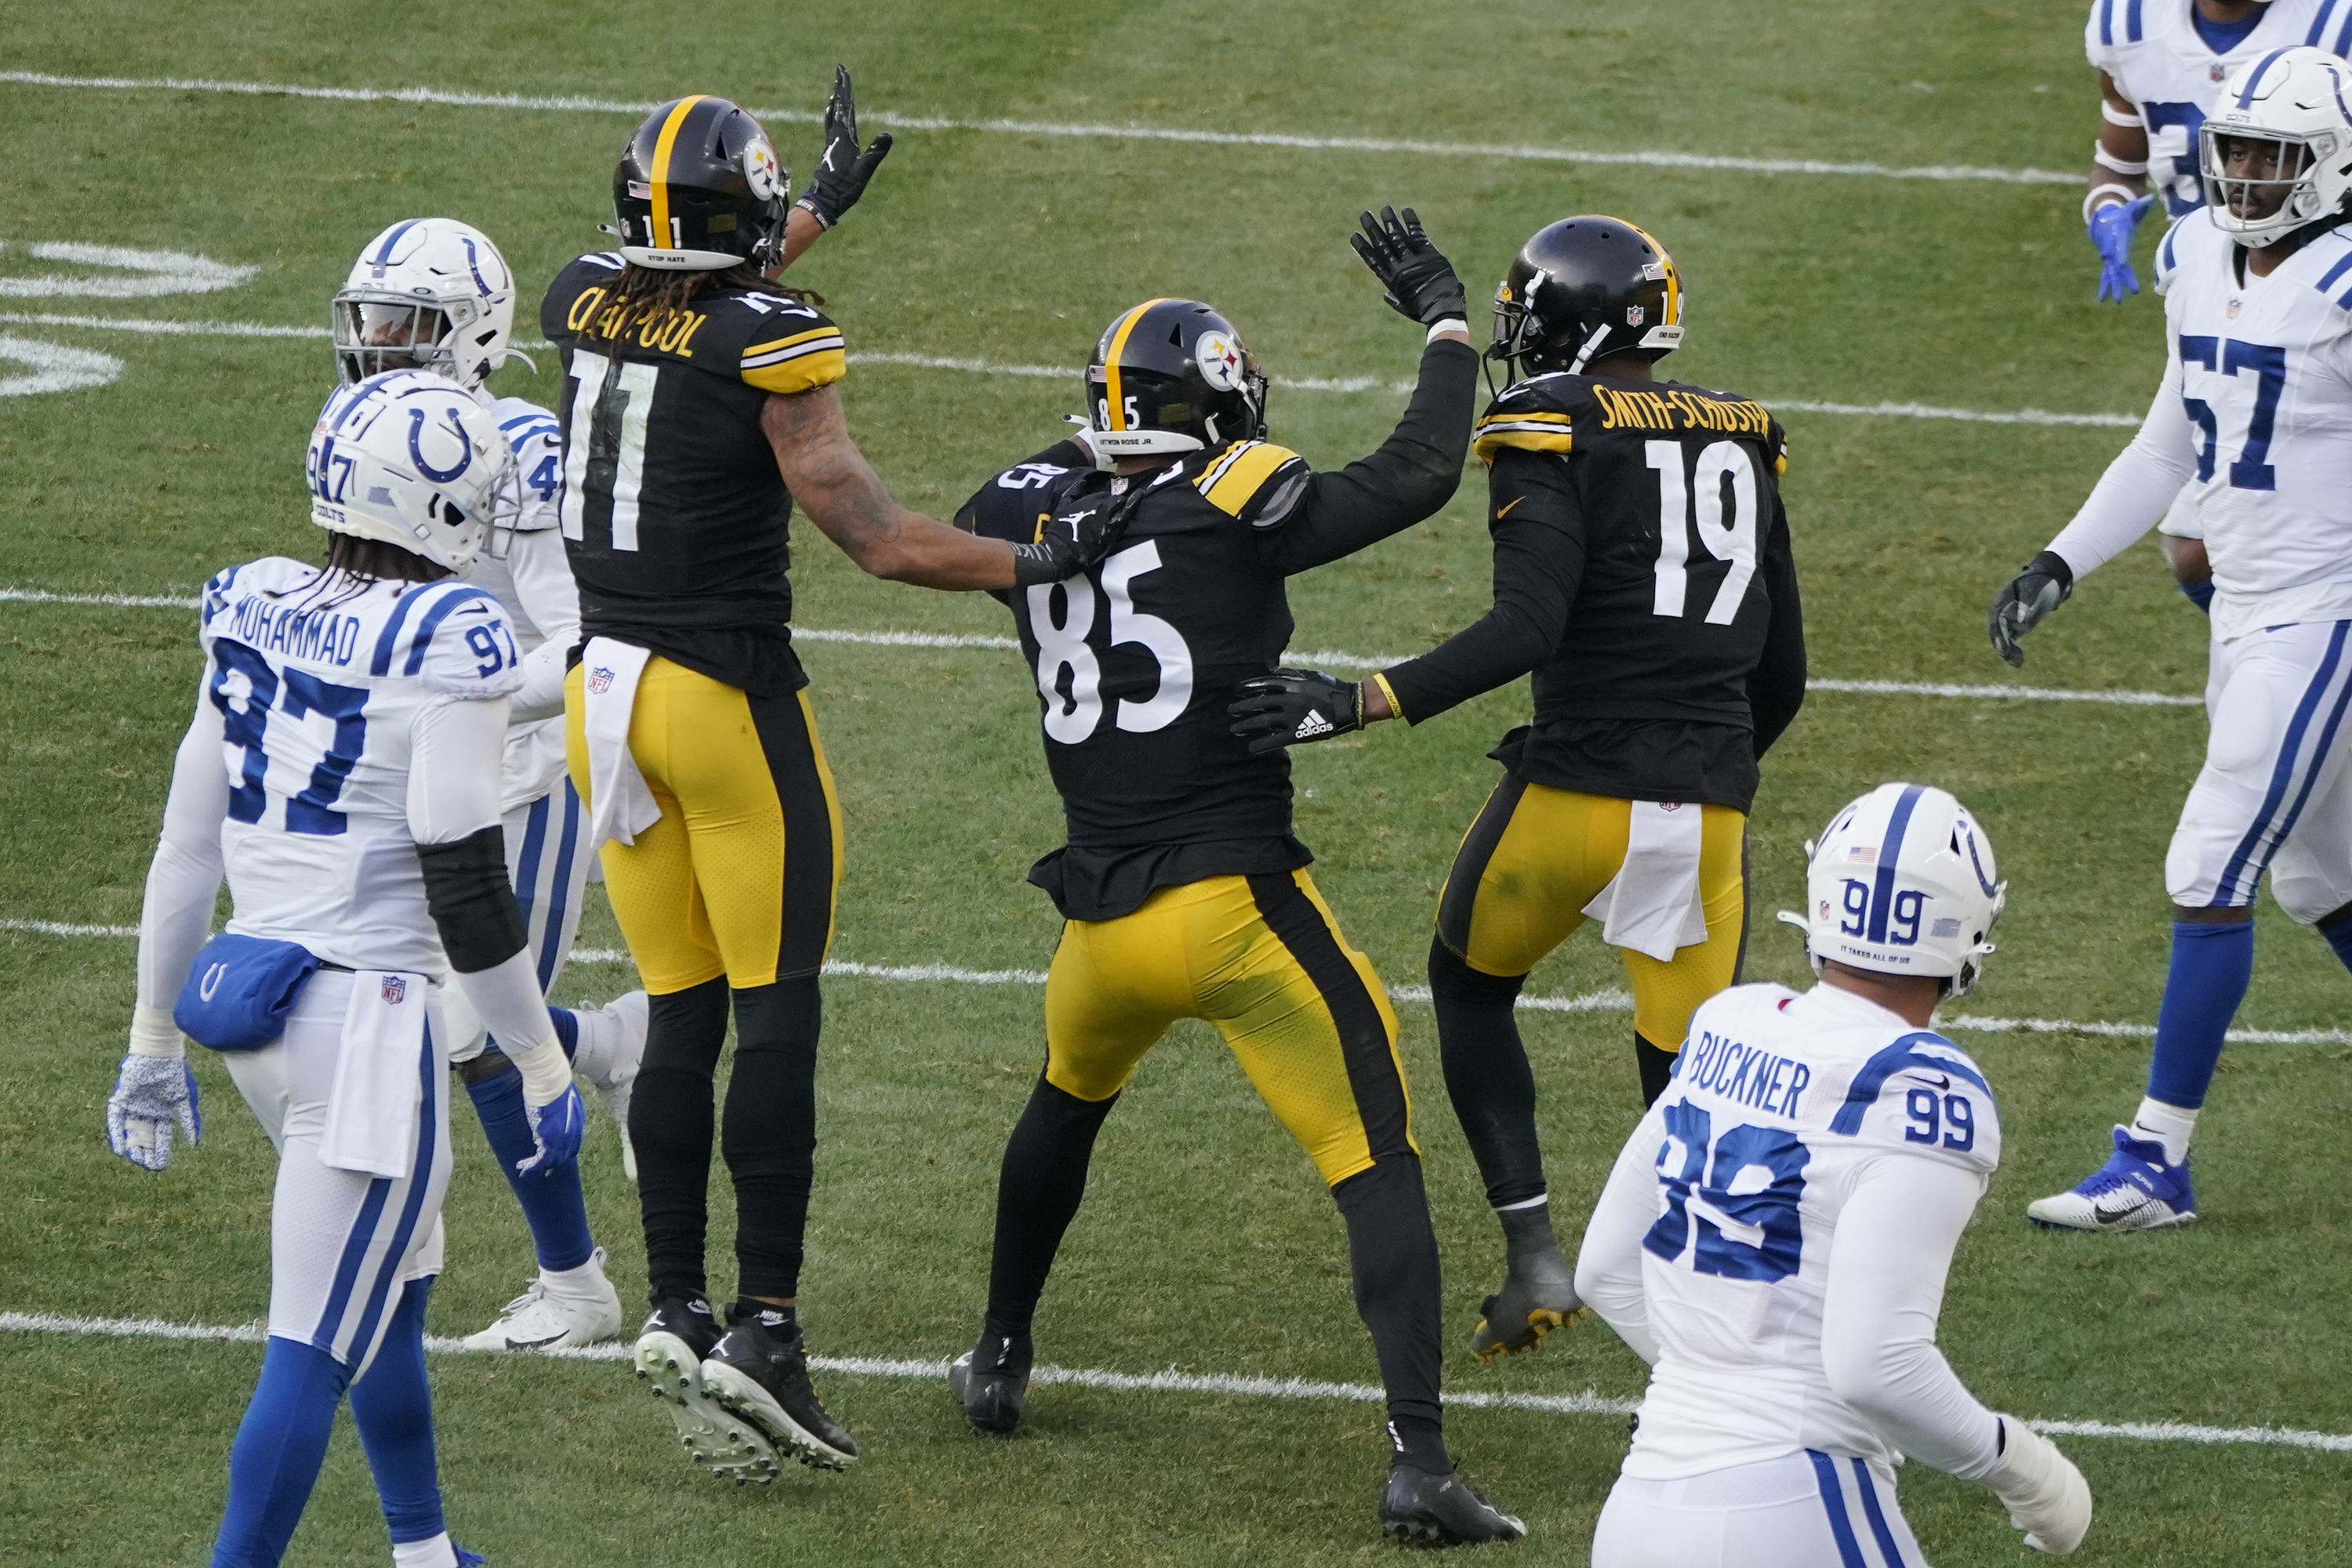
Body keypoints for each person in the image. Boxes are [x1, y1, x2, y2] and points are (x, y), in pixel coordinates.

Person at [542, 84, 1119, 1482]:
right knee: (777, 1013)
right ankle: (770, 1330)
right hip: (724, 700)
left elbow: (692, 300)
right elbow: (876, 536)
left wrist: (810, 214)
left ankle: (677, 1301)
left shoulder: (580, 292)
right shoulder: (774, 334)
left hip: (599, 699)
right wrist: (1049, 556)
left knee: (679, 1010)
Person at [949, 210, 1525, 1546]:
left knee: (1062, 1111)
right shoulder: (1228, 491)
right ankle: (1420, 1460)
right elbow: (1417, 474)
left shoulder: (1026, 506)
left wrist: (1100, 453)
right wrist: (1447, 329)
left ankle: (997, 1350)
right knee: (1375, 1151)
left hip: (1097, 928)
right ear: (1216, 404)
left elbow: (1027, 500)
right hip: (1236, 906)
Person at [1234, 216, 1805, 1363]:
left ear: (1568, 327)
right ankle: (1713, 1353)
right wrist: (1708, 780)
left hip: (1578, 791)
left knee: (1469, 979)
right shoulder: (1745, 434)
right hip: (1706, 811)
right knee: (1688, 1092)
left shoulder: (1553, 420)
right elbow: (1782, 672)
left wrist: (1361, 698)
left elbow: (1527, 625)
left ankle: (1536, 1244)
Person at [103, 370, 587, 1568]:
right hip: (370, 1028)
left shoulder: (252, 601)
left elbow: (183, 847)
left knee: (392, 1296)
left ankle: (423, 1553)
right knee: (312, 1345)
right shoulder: (451, 634)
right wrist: (536, 1056)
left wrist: (152, 1040)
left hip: (256, 1001)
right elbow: (468, 881)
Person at [1992, 45, 2352, 1231]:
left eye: (2272, 157)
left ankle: (2154, 1161)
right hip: (2246, 612)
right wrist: (2062, 558)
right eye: (2237, 150)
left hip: (2329, 613)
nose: (2246, 175)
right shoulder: (2197, 250)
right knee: (2313, 875)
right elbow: (2167, 443)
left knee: (2209, 865)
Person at [1573, 782, 2093, 1566]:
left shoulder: (1731, 1020)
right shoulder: (1922, 1083)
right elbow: (1875, 1363)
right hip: (1793, 1505)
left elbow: (1606, 1269)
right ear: (1969, 932)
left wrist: (1723, 1398)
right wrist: (2027, 1468)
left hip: (1637, 1515)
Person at [330, 214, 648, 1352]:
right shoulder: (369, 424)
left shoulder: (515, 441)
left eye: (400, 321)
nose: (373, 341)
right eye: (368, 317)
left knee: (470, 1029)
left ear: (469, 333)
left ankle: (576, 1286)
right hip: (431, 765)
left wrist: (463, 695)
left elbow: (584, 640)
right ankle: (612, 1048)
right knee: (434, 1019)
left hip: (532, 763)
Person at [2081, 1, 2323, 303]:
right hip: (2198, 283)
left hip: (2321, 276)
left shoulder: (2336, 24)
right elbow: (2119, 167)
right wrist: (2108, 213)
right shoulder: (2127, 24)